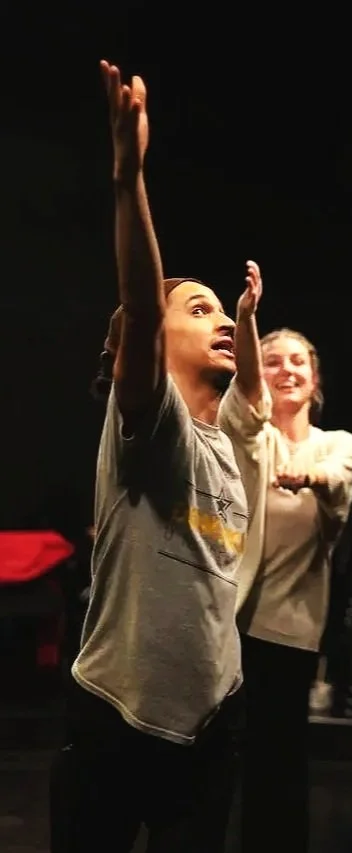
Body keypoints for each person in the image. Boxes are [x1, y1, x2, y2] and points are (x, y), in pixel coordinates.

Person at [48, 61, 247, 853]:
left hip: (209, 727)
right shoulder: (150, 424)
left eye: (220, 307)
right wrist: (129, 178)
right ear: (153, 342)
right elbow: (138, 299)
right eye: (198, 308)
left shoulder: (230, 447)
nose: (222, 317)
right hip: (116, 716)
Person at [218, 262, 352, 853]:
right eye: (274, 361)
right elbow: (246, 400)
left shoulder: (339, 444)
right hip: (233, 620)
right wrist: (248, 320)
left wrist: (307, 475)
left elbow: (336, 480)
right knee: (232, 761)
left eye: (297, 361)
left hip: (292, 625)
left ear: (315, 377)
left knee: (283, 761)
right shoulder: (255, 438)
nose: (286, 370)